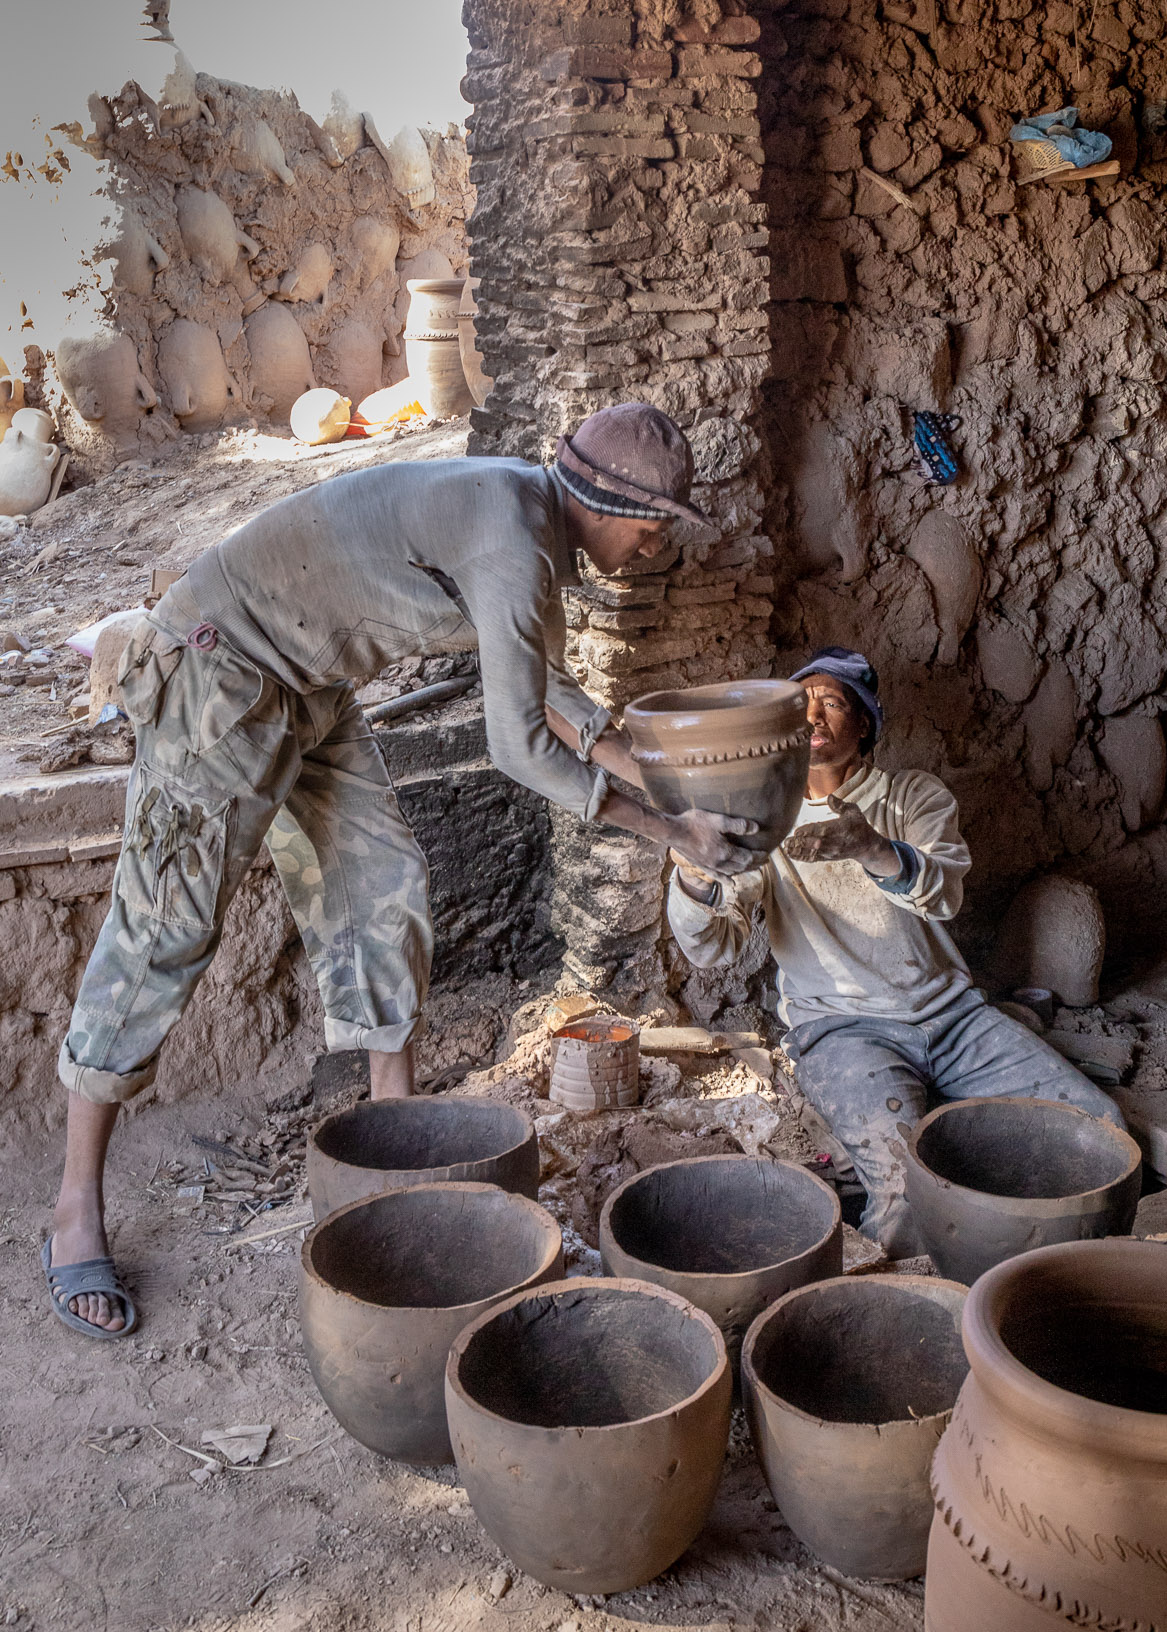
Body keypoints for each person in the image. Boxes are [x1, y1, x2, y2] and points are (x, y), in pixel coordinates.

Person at [45, 403, 755, 1338]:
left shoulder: (525, 516)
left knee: (381, 891)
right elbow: (521, 749)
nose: (656, 547)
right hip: (214, 675)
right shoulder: (518, 541)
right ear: (630, 514)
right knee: (164, 931)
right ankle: (73, 1208)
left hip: (305, 684)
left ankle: (391, 1150)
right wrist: (670, 831)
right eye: (659, 527)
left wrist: (674, 785)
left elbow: (544, 687)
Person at [666, 645, 1119, 1255]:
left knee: (1102, 1130)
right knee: (908, 1190)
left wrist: (874, 847)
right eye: (802, 704)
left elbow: (943, 895)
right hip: (844, 1032)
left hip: (955, 1020)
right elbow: (714, 947)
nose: (814, 717)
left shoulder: (913, 797)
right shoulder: (762, 818)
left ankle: (1065, 1269)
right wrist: (695, 878)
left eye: (833, 703)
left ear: (865, 724)